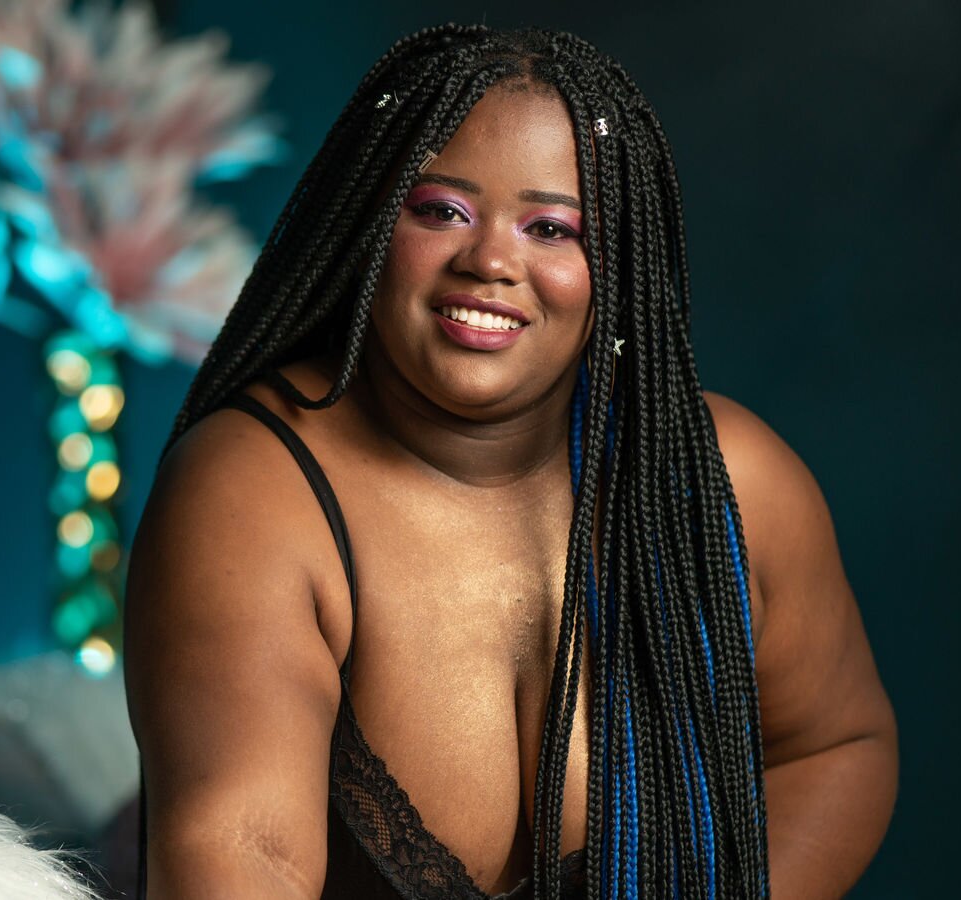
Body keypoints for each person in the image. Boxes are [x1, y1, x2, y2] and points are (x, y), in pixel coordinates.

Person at [124, 25, 896, 900]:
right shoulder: (251, 490)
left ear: (617, 264)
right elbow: (244, 854)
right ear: (370, 222)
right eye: (440, 210)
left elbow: (836, 748)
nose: (490, 260)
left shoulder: (723, 481)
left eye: (551, 228)